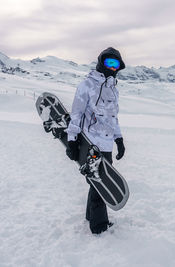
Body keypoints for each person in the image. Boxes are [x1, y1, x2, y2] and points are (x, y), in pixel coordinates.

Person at [65, 47, 126, 234]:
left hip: (106, 144)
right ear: (101, 62)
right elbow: (76, 114)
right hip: (90, 142)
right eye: (109, 62)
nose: (112, 67)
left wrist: (119, 139)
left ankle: (91, 216)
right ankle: (99, 226)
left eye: (116, 64)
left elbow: (112, 118)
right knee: (100, 182)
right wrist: (72, 140)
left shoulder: (113, 90)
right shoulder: (87, 85)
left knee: (97, 181)